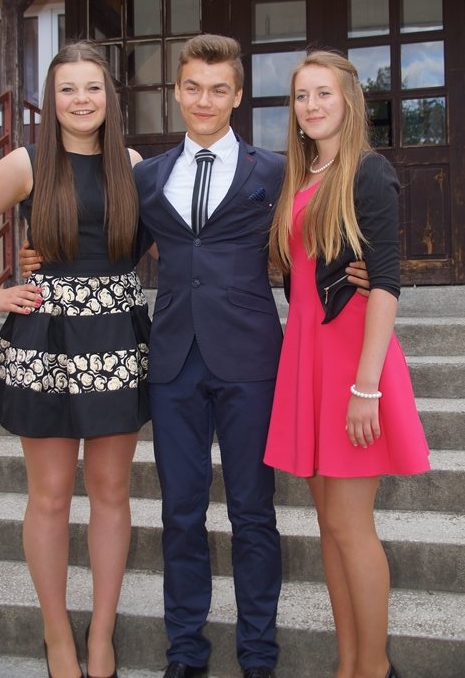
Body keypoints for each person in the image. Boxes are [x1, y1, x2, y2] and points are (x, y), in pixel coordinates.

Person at [19, 34, 370, 678]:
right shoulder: (145, 177)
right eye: (193, 88)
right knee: (180, 514)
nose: (204, 100)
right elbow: (108, 244)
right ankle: (186, 651)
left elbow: (315, 226)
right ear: (177, 93)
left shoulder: (275, 171)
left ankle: (258, 654)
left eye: (218, 89)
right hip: (172, 362)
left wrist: (365, 269)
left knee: (253, 513)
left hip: (251, 362)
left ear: (237, 96)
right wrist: (40, 253)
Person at [0, 41, 151, 678]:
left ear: (109, 97)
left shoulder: (132, 164)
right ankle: (56, 635)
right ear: (51, 98)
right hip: (47, 339)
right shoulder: (25, 162)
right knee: (50, 496)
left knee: (112, 493)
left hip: (117, 338)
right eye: (67, 89)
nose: (81, 100)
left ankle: (102, 635)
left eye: (92, 87)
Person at [263, 50, 431, 678]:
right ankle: (348, 664)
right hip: (306, 354)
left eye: (323, 93)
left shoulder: (368, 172)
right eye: (302, 95)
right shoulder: (300, 175)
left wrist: (367, 387)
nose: (311, 105)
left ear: (349, 100)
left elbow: (385, 284)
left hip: (354, 361)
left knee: (351, 525)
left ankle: (376, 667)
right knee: (329, 525)